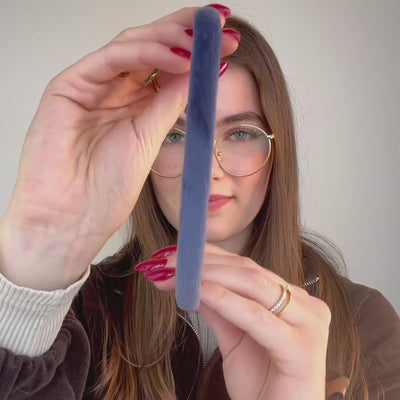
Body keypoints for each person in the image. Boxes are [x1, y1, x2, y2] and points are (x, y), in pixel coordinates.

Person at [0, 4, 399, 400]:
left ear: (278, 150)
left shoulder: (365, 322)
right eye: (175, 136)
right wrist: (37, 258)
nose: (205, 169)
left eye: (240, 133)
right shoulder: (81, 315)